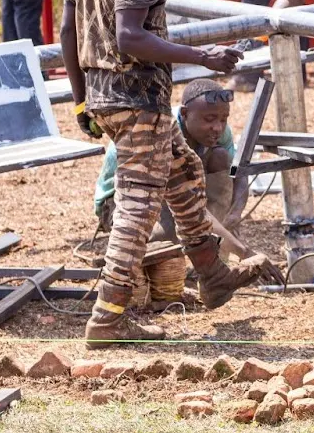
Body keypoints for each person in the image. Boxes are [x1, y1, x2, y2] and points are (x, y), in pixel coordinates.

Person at [61, 0, 279, 345]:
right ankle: (109, 316)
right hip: (138, 99)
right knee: (137, 207)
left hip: (105, 97)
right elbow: (130, 37)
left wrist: (82, 102)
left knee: (184, 172)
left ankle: (212, 273)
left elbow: (67, 33)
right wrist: (204, 56)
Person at [91, 78, 237, 308]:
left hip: (168, 199)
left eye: (223, 119)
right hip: (122, 203)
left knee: (221, 158)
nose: (218, 127)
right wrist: (243, 249)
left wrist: (232, 218)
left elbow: (238, 174)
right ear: (186, 113)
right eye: (209, 120)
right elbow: (183, 204)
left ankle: (211, 255)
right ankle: (137, 259)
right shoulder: (159, 128)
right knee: (176, 218)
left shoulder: (221, 131)